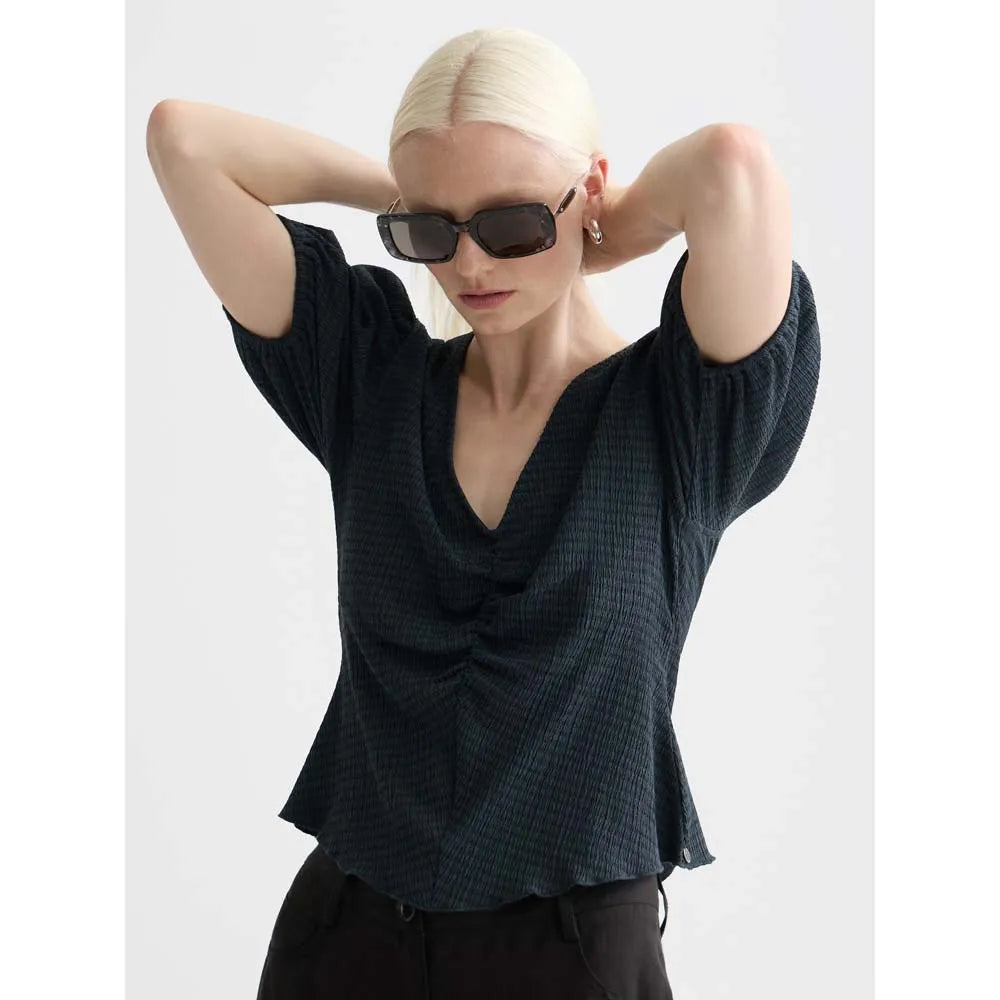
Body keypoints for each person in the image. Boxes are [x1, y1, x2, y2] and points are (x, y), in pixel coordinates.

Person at [147, 25, 820, 1000]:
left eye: (510, 223)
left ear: (590, 188)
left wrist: (595, 232)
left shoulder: (678, 417)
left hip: (569, 949)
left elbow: (733, 166)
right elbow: (184, 141)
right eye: (432, 232)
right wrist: (410, 197)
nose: (467, 265)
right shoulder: (367, 378)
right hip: (343, 935)